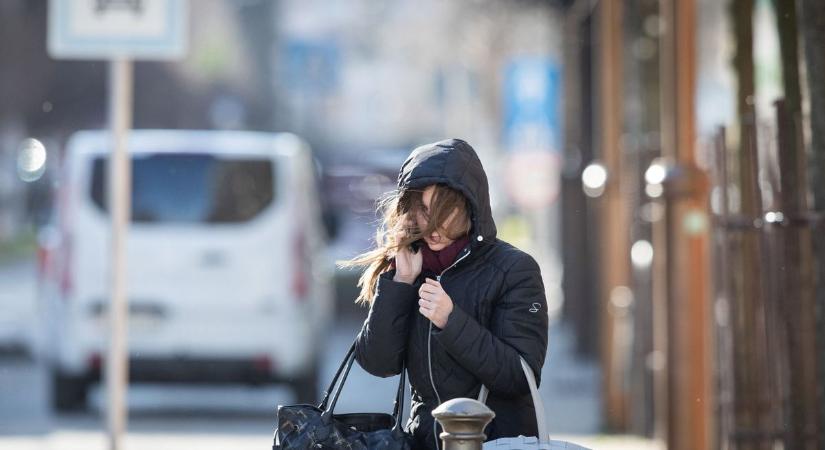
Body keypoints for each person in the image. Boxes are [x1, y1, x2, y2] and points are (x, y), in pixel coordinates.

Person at [343, 138, 548, 450]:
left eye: (445, 209)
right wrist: (399, 284)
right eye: (423, 210)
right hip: (426, 440)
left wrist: (451, 321)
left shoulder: (514, 269)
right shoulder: (411, 266)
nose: (433, 225)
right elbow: (377, 363)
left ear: (470, 205)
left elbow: (518, 377)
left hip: (497, 442)